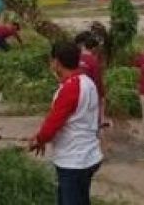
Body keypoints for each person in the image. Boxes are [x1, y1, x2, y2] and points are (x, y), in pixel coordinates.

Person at [28, 42, 102, 205]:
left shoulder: (69, 88)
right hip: (89, 155)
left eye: (52, 60)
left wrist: (39, 140)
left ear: (57, 62)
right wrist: (41, 137)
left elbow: (52, 125)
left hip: (73, 160)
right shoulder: (88, 82)